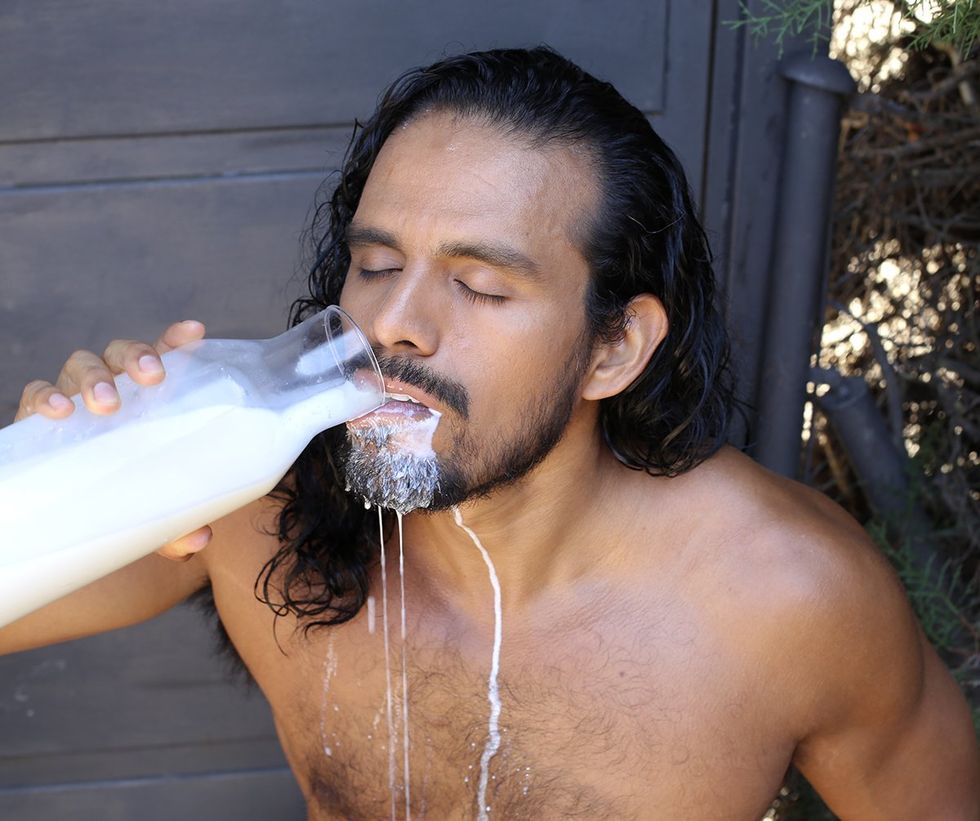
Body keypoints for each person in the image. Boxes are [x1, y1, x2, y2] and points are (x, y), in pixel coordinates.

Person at [3, 47, 977, 819]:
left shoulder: (790, 601)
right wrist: (67, 464)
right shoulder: (245, 501)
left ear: (612, 348)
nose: (393, 324)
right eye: (376, 263)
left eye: (479, 284)